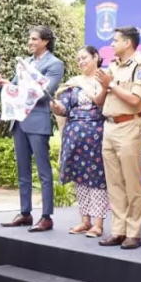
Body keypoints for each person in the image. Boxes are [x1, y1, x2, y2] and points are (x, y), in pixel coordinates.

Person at [0, 25, 64, 232]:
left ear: (45, 41)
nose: (30, 42)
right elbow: (14, 86)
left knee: (43, 172)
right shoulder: (26, 63)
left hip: (37, 121)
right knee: (22, 171)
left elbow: (44, 92)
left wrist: (17, 89)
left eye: (34, 39)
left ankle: (46, 216)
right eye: (30, 39)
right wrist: (2, 82)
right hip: (19, 121)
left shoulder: (55, 64)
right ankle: (25, 213)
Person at [95, 26, 141, 249]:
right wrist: (103, 86)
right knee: (114, 183)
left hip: (129, 125)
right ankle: (118, 230)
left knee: (131, 182)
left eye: (115, 40)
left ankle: (134, 233)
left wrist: (110, 84)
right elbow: (100, 101)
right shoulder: (111, 66)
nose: (111, 44)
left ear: (128, 43)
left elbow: (137, 100)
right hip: (109, 126)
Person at [51, 46, 108, 238]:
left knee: (97, 179)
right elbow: (64, 109)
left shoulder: (106, 79)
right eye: (78, 59)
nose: (81, 62)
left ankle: (98, 224)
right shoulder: (73, 84)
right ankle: (85, 221)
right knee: (79, 178)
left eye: (84, 58)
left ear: (96, 57)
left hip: (97, 135)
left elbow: (106, 106)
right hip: (74, 135)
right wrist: (56, 106)